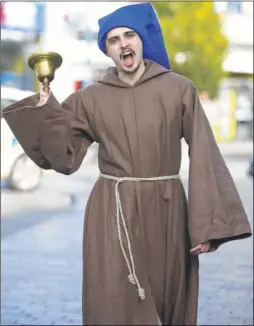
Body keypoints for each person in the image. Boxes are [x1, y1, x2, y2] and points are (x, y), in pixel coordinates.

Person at [2, 3, 252, 325]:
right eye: (114, 39)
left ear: (142, 40)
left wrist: (205, 226)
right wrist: (44, 110)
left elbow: (205, 154)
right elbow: (63, 156)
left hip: (167, 210)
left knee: (168, 301)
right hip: (111, 212)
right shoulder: (89, 98)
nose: (123, 44)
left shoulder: (178, 89)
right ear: (108, 50)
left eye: (129, 35)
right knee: (113, 304)